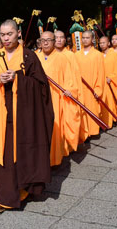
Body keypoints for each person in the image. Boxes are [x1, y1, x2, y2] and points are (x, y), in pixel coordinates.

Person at [0, 19, 54, 212]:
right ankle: (7, 196)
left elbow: (41, 86)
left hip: (24, 114)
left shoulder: (29, 56)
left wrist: (18, 79)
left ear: (18, 34)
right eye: (2, 35)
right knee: (4, 153)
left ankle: (24, 188)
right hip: (1, 112)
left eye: (9, 34)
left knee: (23, 151)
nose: (6, 38)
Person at [36, 31, 80, 166]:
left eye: (49, 40)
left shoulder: (62, 58)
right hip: (37, 99)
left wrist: (69, 90)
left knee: (54, 128)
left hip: (55, 98)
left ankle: (53, 159)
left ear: (54, 41)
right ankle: (38, 159)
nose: (46, 42)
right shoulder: (35, 57)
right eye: (43, 40)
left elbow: (70, 78)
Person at [74, 31, 105, 141]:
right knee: (81, 111)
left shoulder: (98, 55)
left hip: (92, 88)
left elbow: (101, 73)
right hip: (80, 88)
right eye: (83, 38)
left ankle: (92, 131)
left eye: (88, 38)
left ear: (92, 40)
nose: (85, 40)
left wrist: (98, 88)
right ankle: (83, 133)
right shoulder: (76, 55)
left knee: (92, 109)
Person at [99, 37, 117, 128]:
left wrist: (111, 78)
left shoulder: (114, 55)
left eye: (104, 43)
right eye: (100, 43)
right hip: (102, 82)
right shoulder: (99, 55)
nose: (102, 45)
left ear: (108, 44)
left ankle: (114, 119)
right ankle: (106, 121)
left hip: (111, 82)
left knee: (113, 102)